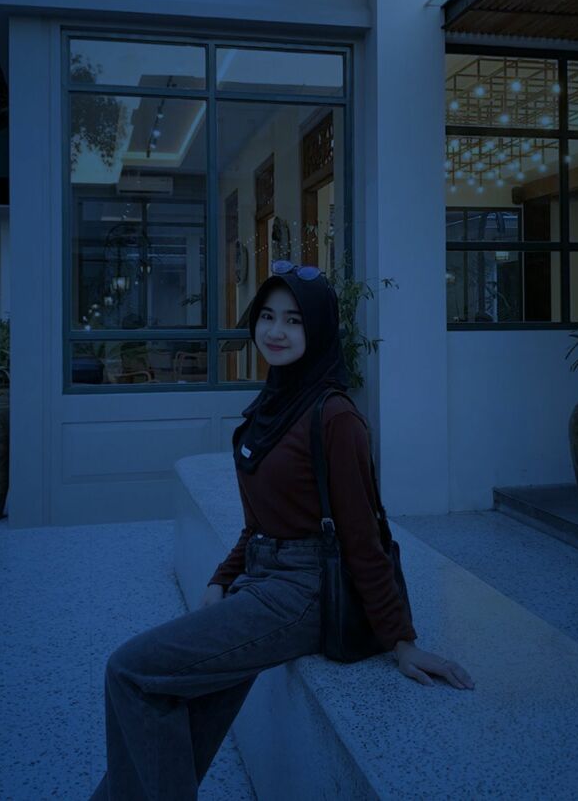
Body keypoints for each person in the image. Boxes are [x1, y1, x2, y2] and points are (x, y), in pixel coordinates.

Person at [90, 262, 474, 801]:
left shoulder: (335, 418)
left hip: (301, 592)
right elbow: (258, 522)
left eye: (294, 321)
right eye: (267, 316)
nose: (276, 331)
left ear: (318, 329)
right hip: (261, 577)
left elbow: (363, 536)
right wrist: (222, 576)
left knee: (130, 672)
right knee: (178, 696)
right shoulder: (272, 404)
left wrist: (402, 641)